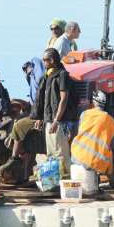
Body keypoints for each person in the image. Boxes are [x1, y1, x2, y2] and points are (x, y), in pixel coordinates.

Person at [71, 90, 114, 193]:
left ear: (93, 102)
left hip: (77, 155)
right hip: (96, 160)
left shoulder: (84, 114)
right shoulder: (110, 120)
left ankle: (96, 182)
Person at [30, 48, 77, 177]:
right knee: (51, 153)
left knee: (60, 152)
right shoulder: (47, 75)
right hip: (48, 120)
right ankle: (55, 180)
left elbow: (64, 98)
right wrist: (39, 117)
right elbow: (44, 99)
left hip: (59, 121)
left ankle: (66, 178)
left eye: (45, 60)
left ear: (52, 60)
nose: (43, 62)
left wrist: (57, 120)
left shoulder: (62, 75)